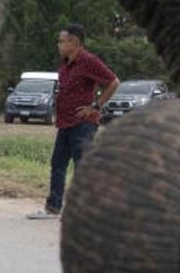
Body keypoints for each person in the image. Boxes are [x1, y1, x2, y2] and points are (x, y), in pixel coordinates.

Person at [27, 24, 119, 219]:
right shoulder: (65, 64)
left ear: (74, 43)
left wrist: (95, 105)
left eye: (61, 41)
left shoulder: (88, 61)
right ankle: (53, 207)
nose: (58, 45)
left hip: (83, 124)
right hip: (65, 123)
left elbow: (113, 82)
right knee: (58, 163)